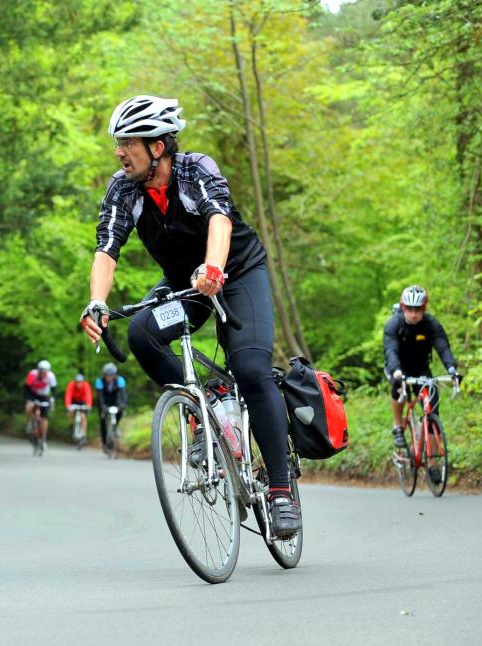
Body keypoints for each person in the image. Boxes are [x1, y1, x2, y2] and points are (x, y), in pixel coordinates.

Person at [79, 95, 300, 537]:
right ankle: (213, 401)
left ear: (157, 146)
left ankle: (280, 491)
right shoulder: (123, 189)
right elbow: (107, 248)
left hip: (235, 275)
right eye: (117, 144)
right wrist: (97, 302)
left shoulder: (195, 169)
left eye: (128, 143)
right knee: (142, 333)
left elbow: (220, 220)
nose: (119, 152)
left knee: (252, 370)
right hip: (185, 284)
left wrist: (215, 268)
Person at [384, 285, 461, 449]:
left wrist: (452, 370)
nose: (413, 314)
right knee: (399, 390)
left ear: (424, 309)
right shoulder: (394, 324)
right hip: (398, 367)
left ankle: (433, 465)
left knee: (432, 409)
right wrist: (396, 372)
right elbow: (390, 350)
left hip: (420, 368)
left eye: (418, 310)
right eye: (410, 309)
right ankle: (398, 426)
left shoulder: (431, 324)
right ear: (403, 307)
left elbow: (443, 348)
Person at [24, 360, 57, 450]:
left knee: (44, 418)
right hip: (32, 394)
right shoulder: (32, 374)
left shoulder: (51, 376)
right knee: (29, 406)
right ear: (38, 370)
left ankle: (43, 438)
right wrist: (29, 400)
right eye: (41, 372)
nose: (43, 374)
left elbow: (54, 389)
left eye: (45, 372)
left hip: (44, 395)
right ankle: (28, 423)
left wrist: (53, 399)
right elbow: (26, 388)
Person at [95, 362, 127, 451]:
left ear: (114, 375)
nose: (109, 377)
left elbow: (123, 394)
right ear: (104, 375)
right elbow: (100, 396)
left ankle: (115, 425)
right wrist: (103, 407)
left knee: (120, 411)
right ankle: (105, 443)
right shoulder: (99, 381)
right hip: (104, 402)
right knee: (103, 422)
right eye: (107, 375)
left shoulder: (120, 380)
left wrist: (123, 405)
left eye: (111, 375)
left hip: (116, 402)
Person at [64, 373, 93, 444]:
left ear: (82, 382)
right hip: (73, 400)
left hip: (82, 401)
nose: (78, 384)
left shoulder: (86, 385)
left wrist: (89, 406)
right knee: (71, 412)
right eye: (77, 382)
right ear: (75, 382)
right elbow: (68, 396)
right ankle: (71, 425)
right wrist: (68, 406)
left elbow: (88, 396)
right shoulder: (71, 385)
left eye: (80, 382)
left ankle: (84, 435)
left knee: (83, 416)